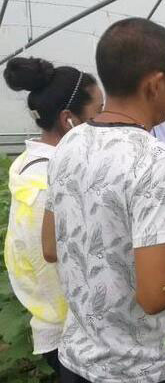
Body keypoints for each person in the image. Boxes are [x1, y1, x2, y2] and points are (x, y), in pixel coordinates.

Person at [41, 17, 165, 383]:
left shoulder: (67, 144)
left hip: (77, 361)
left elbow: (51, 246)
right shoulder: (155, 159)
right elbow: (155, 295)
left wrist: (164, 248)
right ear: (156, 83)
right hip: (143, 368)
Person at [3, 57, 103, 374]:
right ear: (68, 120)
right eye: (99, 112)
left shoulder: (27, 166)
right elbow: (66, 254)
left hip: (57, 321)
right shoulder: (53, 181)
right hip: (77, 332)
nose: (106, 120)